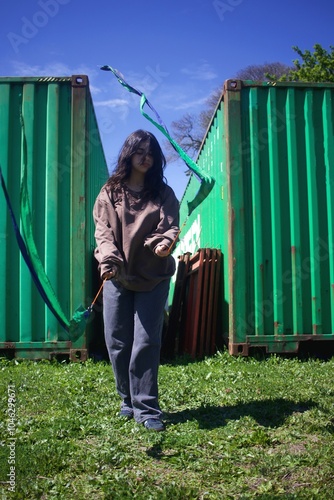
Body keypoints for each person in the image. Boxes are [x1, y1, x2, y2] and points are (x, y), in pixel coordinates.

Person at [93, 129, 179, 431]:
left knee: (146, 341)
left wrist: (161, 245)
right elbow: (102, 232)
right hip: (117, 276)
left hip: (154, 277)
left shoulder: (163, 194)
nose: (146, 157)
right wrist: (109, 260)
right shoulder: (109, 192)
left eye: (151, 152)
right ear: (128, 153)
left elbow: (169, 228)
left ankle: (146, 407)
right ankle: (126, 400)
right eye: (140, 151)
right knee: (117, 341)